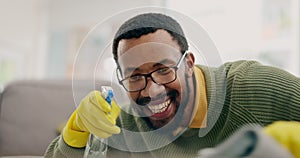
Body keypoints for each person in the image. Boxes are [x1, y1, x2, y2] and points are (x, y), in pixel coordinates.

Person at [45, 13, 300, 158]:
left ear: (188, 63)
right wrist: (75, 132)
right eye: (135, 77)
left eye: (164, 70)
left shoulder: (252, 86)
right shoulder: (125, 124)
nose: (152, 90)